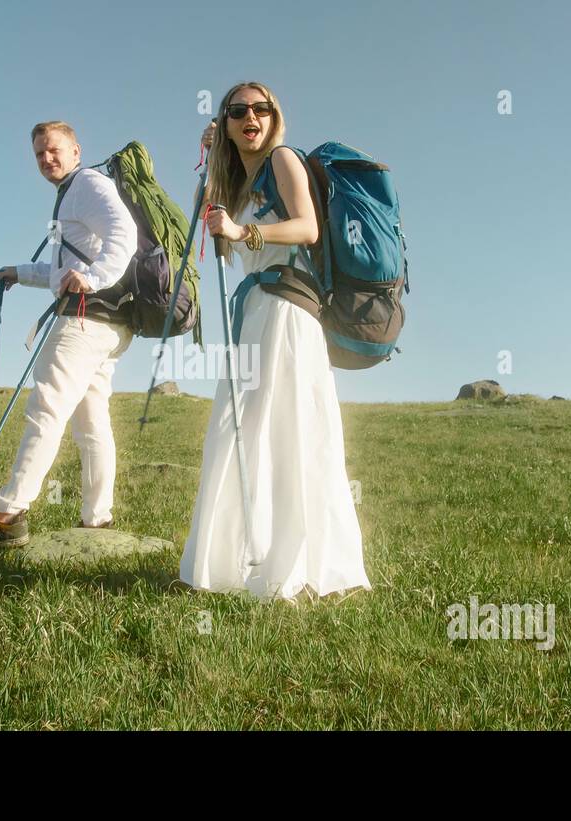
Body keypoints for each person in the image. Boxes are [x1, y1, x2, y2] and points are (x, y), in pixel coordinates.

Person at [178, 82, 372, 600]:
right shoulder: (238, 183)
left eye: (261, 109)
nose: (251, 117)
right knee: (238, 427)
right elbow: (224, 252)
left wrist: (246, 234)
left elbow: (307, 228)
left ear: (274, 116)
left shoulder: (284, 159)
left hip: (288, 310)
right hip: (256, 312)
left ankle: (302, 567)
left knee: (290, 429)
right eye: (238, 111)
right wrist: (214, 181)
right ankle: (231, 564)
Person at [0, 121, 137, 545]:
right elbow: (62, 270)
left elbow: (124, 234)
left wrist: (93, 278)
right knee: (92, 422)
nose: (46, 159)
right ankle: (98, 518)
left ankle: (7, 514)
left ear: (76, 150)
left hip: (85, 317)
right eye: (39, 154)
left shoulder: (87, 184)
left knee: (47, 407)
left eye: (54, 150)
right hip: (109, 321)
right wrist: (20, 273)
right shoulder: (70, 195)